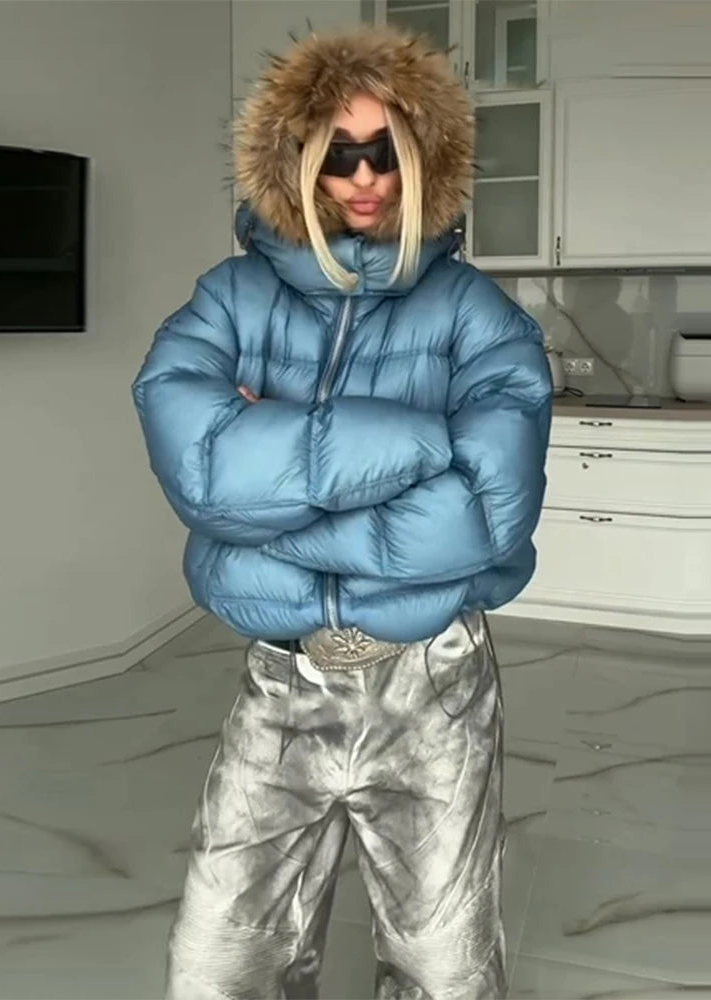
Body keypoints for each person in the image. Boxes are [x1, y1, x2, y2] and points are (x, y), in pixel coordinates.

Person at [132, 24, 552, 1000]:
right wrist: (421, 444)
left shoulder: (479, 315)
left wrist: (272, 487)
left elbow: (486, 513)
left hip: (432, 684)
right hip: (281, 684)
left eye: (385, 152)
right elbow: (201, 472)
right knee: (217, 966)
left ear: (422, 159)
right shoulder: (229, 299)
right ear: (297, 162)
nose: (364, 178)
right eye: (337, 154)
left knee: (446, 971)